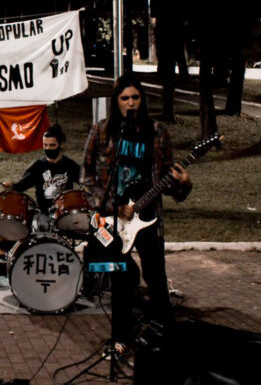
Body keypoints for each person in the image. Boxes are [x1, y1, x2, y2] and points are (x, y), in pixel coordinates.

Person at [81, 74, 192, 352]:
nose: (131, 103)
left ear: (142, 100)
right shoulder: (102, 131)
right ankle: (121, 340)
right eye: (125, 98)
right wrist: (113, 208)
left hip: (148, 217)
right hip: (110, 220)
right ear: (116, 102)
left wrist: (184, 185)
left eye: (135, 97)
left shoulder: (158, 133)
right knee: (120, 281)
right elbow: (86, 178)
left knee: (155, 278)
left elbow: (168, 185)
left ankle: (165, 344)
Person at [2, 123, 81, 217]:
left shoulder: (70, 165)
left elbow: (86, 183)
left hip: (65, 214)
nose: (48, 149)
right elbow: (21, 186)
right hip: (43, 215)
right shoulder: (38, 166)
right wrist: (11, 186)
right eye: (45, 145)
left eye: (52, 145)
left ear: (61, 144)